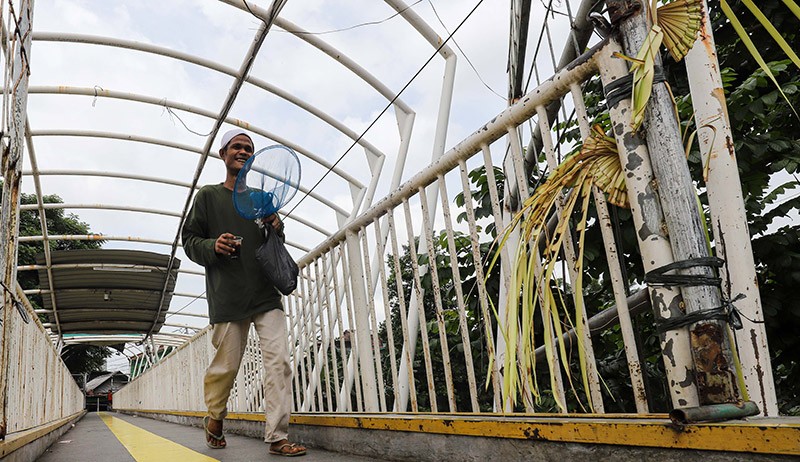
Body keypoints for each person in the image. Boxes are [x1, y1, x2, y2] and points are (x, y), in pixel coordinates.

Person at [182, 128, 306, 457]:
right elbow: (190, 242)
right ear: (222, 154)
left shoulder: (261, 199)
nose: (243, 152)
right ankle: (216, 418)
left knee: (278, 363)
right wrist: (213, 245)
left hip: (266, 294)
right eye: (236, 147)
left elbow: (274, 243)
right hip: (228, 296)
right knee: (226, 367)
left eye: (248, 149)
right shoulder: (208, 196)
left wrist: (277, 227)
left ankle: (278, 437)